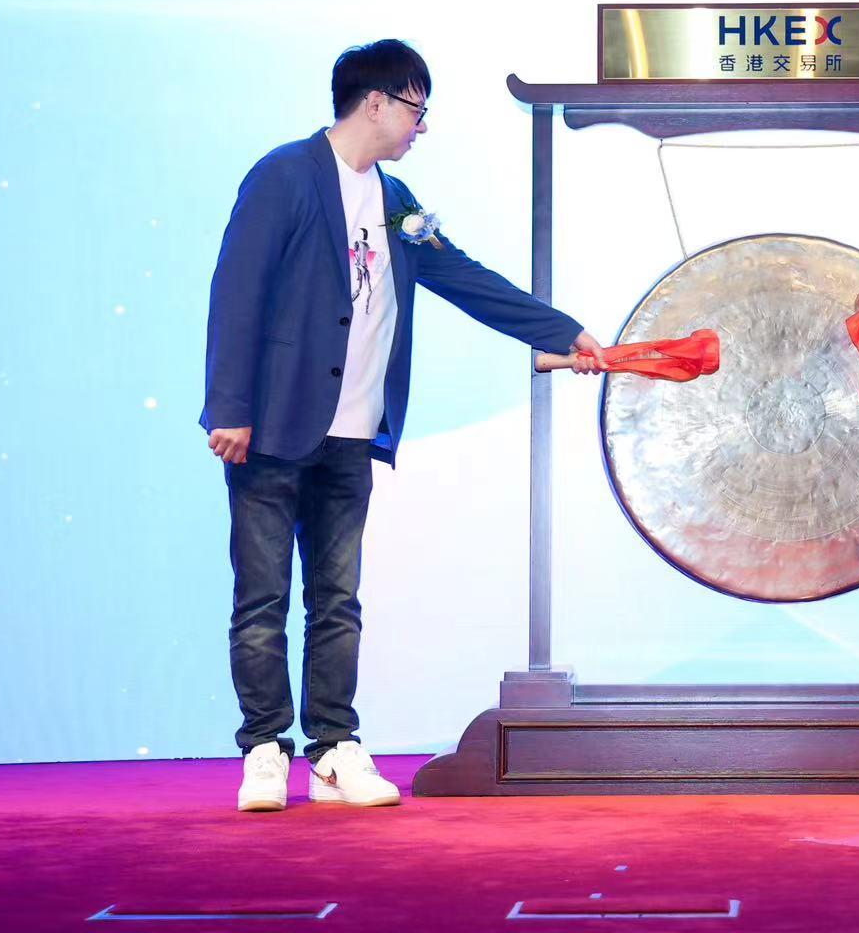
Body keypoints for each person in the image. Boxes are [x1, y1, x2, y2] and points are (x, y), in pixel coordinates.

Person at [199, 39, 603, 811]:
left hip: (354, 431)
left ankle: (333, 750)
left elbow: (462, 275)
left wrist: (560, 332)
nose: (423, 125)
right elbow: (236, 292)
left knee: (337, 601)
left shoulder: (396, 200)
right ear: (376, 103)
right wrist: (230, 409)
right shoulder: (284, 176)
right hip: (272, 427)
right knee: (261, 600)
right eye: (418, 108)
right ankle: (263, 750)